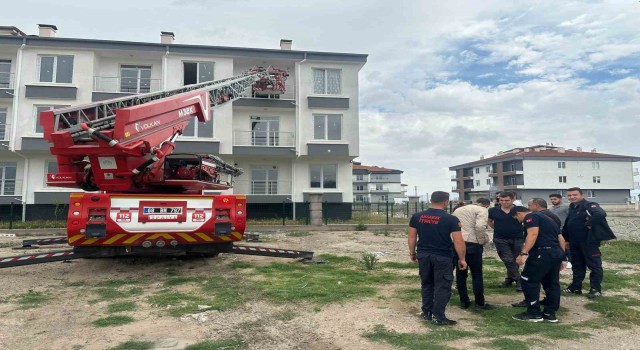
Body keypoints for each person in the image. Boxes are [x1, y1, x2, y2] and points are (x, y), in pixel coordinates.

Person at [408, 191, 467, 325]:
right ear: (446, 201)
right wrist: (462, 258)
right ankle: (439, 316)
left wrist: (412, 253)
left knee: (427, 284)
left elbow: (412, 236)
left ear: (431, 200)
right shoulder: (451, 219)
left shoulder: (417, 216)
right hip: (442, 256)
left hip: (423, 255)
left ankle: (427, 312)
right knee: (442, 286)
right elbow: (458, 241)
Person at [511, 206, 567, 323]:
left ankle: (533, 313)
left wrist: (523, 253)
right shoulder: (548, 218)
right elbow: (561, 239)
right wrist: (562, 258)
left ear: (519, 213)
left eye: (517, 218)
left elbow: (532, 234)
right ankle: (550, 313)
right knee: (551, 283)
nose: (519, 221)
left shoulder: (531, 216)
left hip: (542, 252)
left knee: (528, 280)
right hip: (556, 252)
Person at [562, 187, 616, 298]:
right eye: (570, 195)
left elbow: (600, 214)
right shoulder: (572, 207)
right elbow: (569, 224)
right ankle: (576, 287)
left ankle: (595, 289)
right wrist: (566, 239)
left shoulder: (589, 205)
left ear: (582, 195)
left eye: (575, 195)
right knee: (577, 265)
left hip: (589, 242)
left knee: (594, 266)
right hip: (574, 242)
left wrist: (588, 224)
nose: (572, 197)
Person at [452, 198, 495, 310]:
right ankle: (480, 302)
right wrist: (481, 241)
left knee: (461, 273)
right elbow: (480, 226)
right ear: (486, 205)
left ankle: (464, 300)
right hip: (472, 243)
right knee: (476, 274)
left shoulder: (458, 210)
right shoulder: (482, 210)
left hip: (457, 242)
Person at [488, 191, 524, 291]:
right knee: (508, 259)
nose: (504, 202)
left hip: (517, 238)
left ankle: (509, 279)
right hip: (500, 238)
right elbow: (489, 221)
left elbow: (525, 222)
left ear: (513, 200)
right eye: (501, 200)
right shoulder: (493, 210)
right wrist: (496, 228)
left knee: (515, 260)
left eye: (507, 200)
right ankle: (519, 280)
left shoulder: (519, 210)